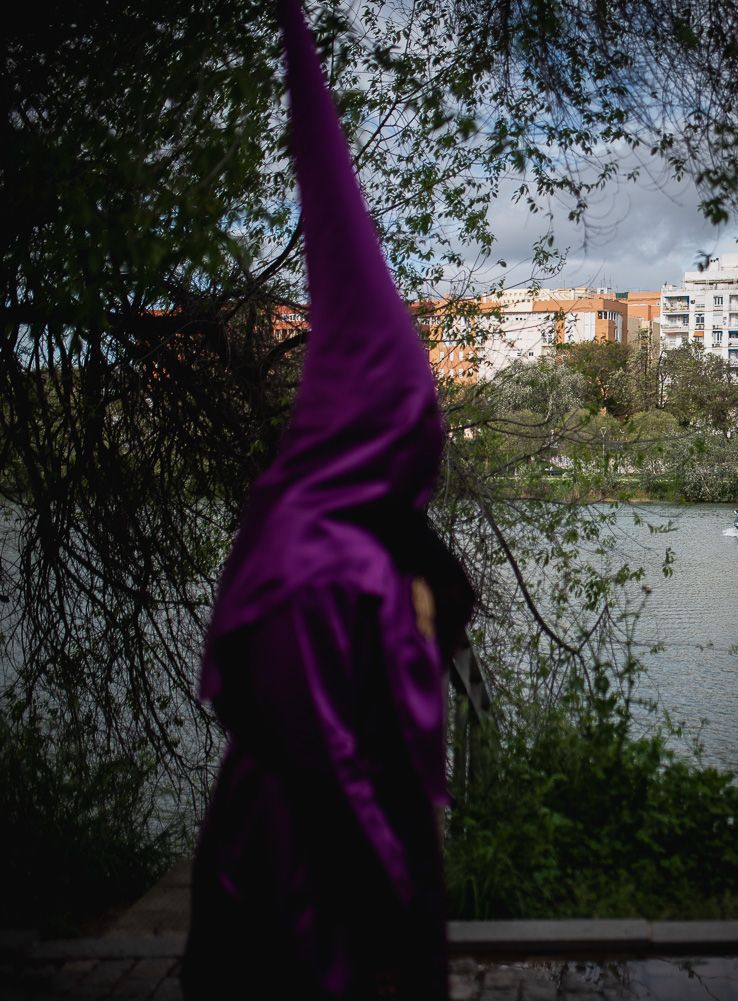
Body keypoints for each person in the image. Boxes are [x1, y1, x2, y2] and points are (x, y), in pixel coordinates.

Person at [183, 3, 472, 997]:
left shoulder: (354, 535)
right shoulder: (319, 554)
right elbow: (339, 773)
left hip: (318, 873)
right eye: (413, 404)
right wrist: (400, 922)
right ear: (379, 413)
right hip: (312, 902)